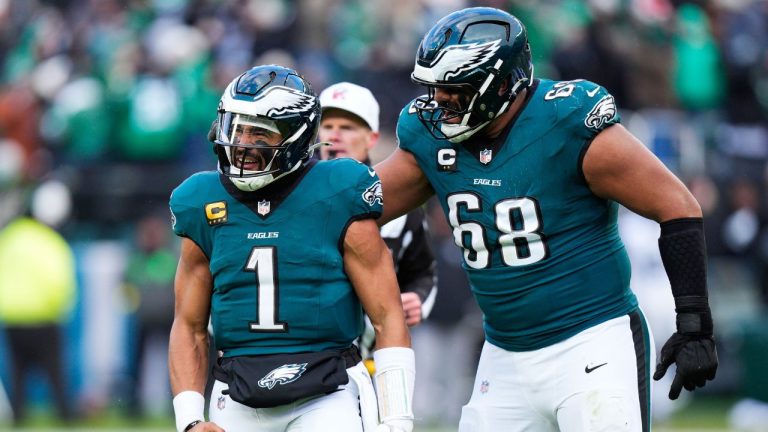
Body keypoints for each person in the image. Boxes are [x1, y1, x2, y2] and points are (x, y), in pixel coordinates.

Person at [374, 7, 718, 431]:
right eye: (435, 88)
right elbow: (362, 208)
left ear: (501, 85)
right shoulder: (429, 137)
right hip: (504, 353)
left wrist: (694, 323)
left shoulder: (565, 122)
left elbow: (677, 205)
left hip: (591, 342)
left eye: (454, 89)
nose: (439, 101)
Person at [168, 64, 414, 432]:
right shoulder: (201, 199)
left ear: (295, 136)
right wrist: (190, 419)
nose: (242, 143)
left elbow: (387, 315)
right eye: (236, 128)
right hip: (236, 392)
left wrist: (397, 419)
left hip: (329, 390)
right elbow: (189, 325)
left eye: (259, 132)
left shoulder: (337, 189)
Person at [317, 82, 437, 361]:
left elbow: (424, 271)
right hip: (310, 358)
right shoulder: (292, 196)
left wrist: (417, 299)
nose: (335, 135)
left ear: (371, 138)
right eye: (328, 126)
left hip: (372, 360)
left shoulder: (401, 204)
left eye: (347, 127)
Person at [0, 180, 77, 426]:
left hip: (13, 317)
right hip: (44, 317)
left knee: (17, 375)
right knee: (55, 374)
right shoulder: (51, 242)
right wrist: (62, 308)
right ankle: (65, 417)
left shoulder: (11, 236)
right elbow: (59, 281)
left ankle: (18, 418)